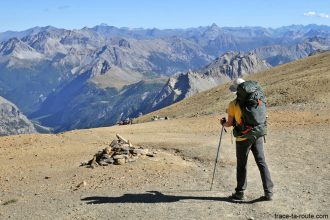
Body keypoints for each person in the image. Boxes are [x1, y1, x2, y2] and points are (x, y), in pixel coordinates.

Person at [220, 78, 274, 201]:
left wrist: (222, 123)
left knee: (242, 164)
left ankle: (240, 193)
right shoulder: (257, 99)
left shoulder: (233, 104)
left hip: (243, 137)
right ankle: (269, 192)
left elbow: (229, 123)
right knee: (261, 162)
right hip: (258, 134)